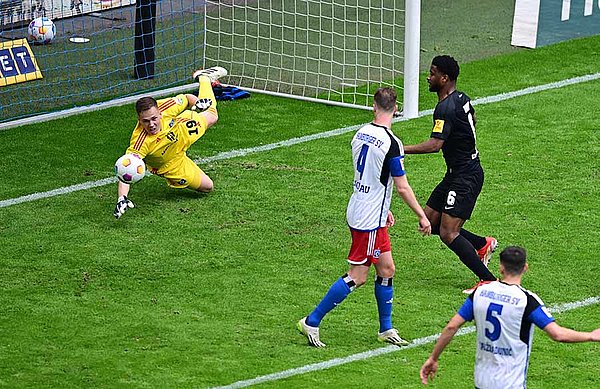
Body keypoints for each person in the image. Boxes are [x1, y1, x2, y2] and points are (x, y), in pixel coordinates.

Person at [297, 87, 431, 348]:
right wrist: (422, 216)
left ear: (374, 107)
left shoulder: (360, 134)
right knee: (357, 276)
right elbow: (402, 186)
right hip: (368, 220)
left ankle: (386, 328)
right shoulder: (393, 143)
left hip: (362, 207)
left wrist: (384, 207)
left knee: (387, 269)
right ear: (396, 109)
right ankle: (311, 321)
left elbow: (369, 174)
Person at [420, 246, 600, 388]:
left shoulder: (480, 293)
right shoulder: (527, 301)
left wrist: (433, 358)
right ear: (525, 268)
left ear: (501, 267)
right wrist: (591, 335)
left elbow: (452, 327)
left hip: (482, 380)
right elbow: (557, 334)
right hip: (509, 383)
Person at [403, 55, 496, 294]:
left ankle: (488, 280)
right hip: (457, 173)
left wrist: (400, 149)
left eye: (432, 73)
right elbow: (471, 118)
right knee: (429, 220)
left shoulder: (445, 108)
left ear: (444, 78)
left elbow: (436, 145)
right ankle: (481, 244)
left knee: (448, 232)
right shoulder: (460, 98)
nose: (428, 77)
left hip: (466, 176)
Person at [113, 66, 227, 219]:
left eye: (154, 119)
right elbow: (126, 170)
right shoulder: (140, 142)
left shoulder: (165, 107)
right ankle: (205, 79)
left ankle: (204, 78)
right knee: (208, 187)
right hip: (170, 163)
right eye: (145, 121)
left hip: (180, 133)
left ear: (159, 113)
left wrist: (198, 104)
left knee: (212, 115)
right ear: (139, 120)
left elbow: (187, 98)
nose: (151, 124)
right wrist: (122, 198)